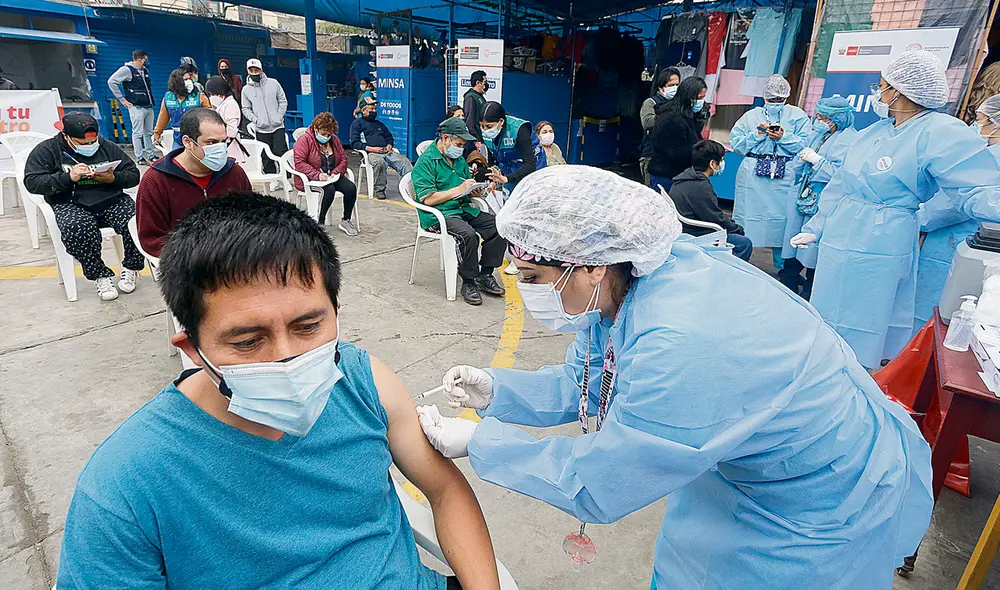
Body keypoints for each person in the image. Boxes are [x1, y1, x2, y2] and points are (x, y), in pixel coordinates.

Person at [416, 165, 933, 590]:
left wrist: (484, 443)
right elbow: (591, 381)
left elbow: (600, 480)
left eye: (532, 280)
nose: (524, 293)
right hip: (742, 470)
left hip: (817, 506)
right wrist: (497, 391)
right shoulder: (632, 279)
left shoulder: (685, 341)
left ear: (590, 266)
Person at [58, 193, 500, 589]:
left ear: (336, 312)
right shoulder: (126, 485)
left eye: (308, 326)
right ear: (191, 349)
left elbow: (443, 490)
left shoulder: (364, 382)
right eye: (248, 341)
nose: (287, 357)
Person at [790, 51, 1000, 369]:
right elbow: (841, 186)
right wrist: (816, 227)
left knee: (867, 317)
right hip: (839, 240)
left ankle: (858, 378)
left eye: (882, 85)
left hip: (882, 242)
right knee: (829, 312)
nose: (878, 91)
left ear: (899, 92)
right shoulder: (874, 132)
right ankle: (824, 367)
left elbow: (977, 187)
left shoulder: (940, 132)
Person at [22, 113, 144, 301]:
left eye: (92, 142)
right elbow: (33, 182)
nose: (89, 147)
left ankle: (131, 266)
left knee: (138, 219)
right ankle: (100, 274)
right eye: (82, 143)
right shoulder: (47, 150)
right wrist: (67, 178)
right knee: (76, 227)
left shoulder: (106, 146)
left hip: (110, 199)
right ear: (66, 137)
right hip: (70, 202)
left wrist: (113, 178)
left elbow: (133, 174)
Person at [913, 93, 1000, 329]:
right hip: (973, 248)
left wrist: (910, 218)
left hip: (951, 245)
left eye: (980, 119)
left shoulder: (990, 160)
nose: (975, 125)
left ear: (996, 122)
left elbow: (948, 205)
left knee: (932, 316)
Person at [411, 118, 507, 306]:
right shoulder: (426, 162)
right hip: (439, 214)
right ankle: (469, 282)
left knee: (499, 226)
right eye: (459, 144)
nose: (461, 149)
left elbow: (464, 182)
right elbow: (428, 199)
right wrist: (459, 189)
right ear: (445, 138)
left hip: (463, 208)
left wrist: (475, 189)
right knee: (468, 235)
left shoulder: (458, 158)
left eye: (463, 145)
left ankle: (485, 274)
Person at [137, 108, 251, 257]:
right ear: (187, 142)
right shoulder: (156, 181)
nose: (221, 148)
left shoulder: (234, 174)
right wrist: (200, 251)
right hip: (186, 264)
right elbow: (151, 240)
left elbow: (251, 219)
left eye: (224, 141)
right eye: (212, 142)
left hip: (235, 260)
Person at [777, 95, 858, 300]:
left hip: (826, 199)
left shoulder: (850, 139)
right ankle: (788, 282)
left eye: (823, 117)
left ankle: (810, 291)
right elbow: (799, 161)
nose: (819, 120)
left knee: (815, 247)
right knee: (794, 238)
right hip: (804, 194)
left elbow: (842, 175)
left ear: (836, 118)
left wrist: (818, 161)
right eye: (818, 115)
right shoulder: (818, 135)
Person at [731, 74, 810, 271]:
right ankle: (739, 260)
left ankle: (783, 266)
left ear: (786, 98)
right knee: (747, 219)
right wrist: (756, 134)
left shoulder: (798, 116)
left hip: (784, 175)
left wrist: (784, 137)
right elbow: (737, 146)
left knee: (782, 222)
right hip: (753, 175)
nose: (775, 103)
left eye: (779, 99)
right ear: (764, 97)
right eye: (772, 99)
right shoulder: (750, 117)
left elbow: (805, 145)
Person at [668, 140, 752, 261]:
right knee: (743, 243)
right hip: (696, 232)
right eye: (721, 160)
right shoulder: (701, 187)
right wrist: (737, 229)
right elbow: (716, 218)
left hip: (686, 227)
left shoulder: (685, 178)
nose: (723, 164)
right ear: (712, 163)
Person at [294, 112, 359, 236]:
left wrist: (336, 172)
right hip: (310, 179)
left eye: (329, 134)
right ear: (315, 129)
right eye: (323, 134)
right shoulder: (305, 140)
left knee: (350, 188)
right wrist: (317, 174)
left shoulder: (334, 140)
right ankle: (320, 222)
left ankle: (346, 220)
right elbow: (299, 162)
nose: (326, 136)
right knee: (329, 190)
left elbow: (344, 159)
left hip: (331, 177)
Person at [648, 77, 708, 193]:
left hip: (679, 175)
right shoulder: (672, 119)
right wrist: (705, 150)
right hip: (667, 176)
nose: (702, 101)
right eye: (699, 98)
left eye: (703, 97)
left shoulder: (688, 115)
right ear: (689, 96)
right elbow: (678, 152)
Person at [350, 97, 413, 200]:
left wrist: (389, 146)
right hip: (371, 153)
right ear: (364, 110)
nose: (374, 111)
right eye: (371, 109)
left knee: (404, 162)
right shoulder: (357, 124)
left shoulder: (379, 124)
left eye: (375, 109)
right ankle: (380, 189)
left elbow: (389, 137)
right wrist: (372, 149)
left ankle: (411, 187)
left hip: (386, 151)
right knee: (380, 163)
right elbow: (355, 143)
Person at [479, 102, 544, 189]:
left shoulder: (519, 129)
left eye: (489, 126)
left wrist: (506, 178)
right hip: (509, 167)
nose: (485, 130)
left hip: (532, 167)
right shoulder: (486, 134)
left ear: (501, 121)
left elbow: (530, 164)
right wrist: (494, 181)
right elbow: (493, 159)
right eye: (482, 126)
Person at [107, 50, 156, 165]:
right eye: (145, 59)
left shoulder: (144, 70)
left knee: (148, 133)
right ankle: (139, 157)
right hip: (136, 107)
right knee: (138, 133)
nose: (147, 62)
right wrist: (122, 99)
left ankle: (151, 155)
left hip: (148, 106)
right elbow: (111, 81)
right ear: (140, 59)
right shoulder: (127, 70)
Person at [242, 58, 288, 175]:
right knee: (266, 156)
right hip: (261, 128)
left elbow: (283, 101)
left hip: (277, 126)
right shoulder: (246, 90)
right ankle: (271, 177)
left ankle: (286, 177)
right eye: (251, 70)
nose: (254, 72)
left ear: (261, 70)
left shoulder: (274, 83)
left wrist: (278, 116)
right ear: (247, 71)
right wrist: (256, 120)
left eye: (256, 70)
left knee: (280, 152)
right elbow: (246, 109)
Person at [639, 67, 680, 185]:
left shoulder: (678, 104)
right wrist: (669, 117)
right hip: (651, 156)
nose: (675, 89)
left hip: (670, 158)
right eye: (671, 85)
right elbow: (647, 122)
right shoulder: (651, 102)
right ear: (661, 87)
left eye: (677, 85)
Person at [153, 68, 211, 151]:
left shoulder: (199, 96)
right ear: (177, 82)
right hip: (178, 139)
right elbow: (163, 117)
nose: (189, 81)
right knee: (176, 161)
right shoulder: (168, 98)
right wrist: (157, 133)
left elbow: (210, 116)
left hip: (197, 139)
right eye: (185, 79)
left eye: (189, 79)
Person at [205, 76, 245, 164]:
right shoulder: (222, 104)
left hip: (229, 148)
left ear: (220, 93)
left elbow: (232, 131)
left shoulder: (231, 105)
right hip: (222, 147)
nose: (211, 97)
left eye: (212, 94)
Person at [463, 71, 488, 144]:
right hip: (476, 139)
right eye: (485, 82)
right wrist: (474, 139)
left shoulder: (479, 97)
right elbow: (469, 121)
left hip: (482, 135)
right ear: (478, 83)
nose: (486, 84)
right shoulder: (471, 98)